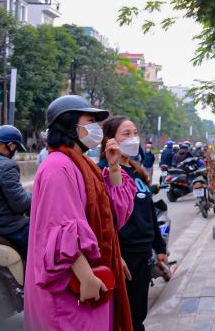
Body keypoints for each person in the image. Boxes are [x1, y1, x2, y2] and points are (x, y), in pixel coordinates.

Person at [25, 95, 136, 331]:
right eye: (90, 120)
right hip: (72, 290)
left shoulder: (83, 165)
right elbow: (61, 227)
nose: (96, 127)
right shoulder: (58, 166)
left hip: (90, 282)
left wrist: (114, 167)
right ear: (70, 124)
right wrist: (86, 277)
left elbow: (114, 217)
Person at [98, 116, 168, 331]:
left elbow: (149, 213)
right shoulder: (103, 172)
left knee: (138, 312)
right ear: (110, 140)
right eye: (126, 134)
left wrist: (160, 247)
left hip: (143, 252)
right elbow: (103, 219)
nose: (133, 138)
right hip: (122, 254)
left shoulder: (138, 172)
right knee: (122, 315)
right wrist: (115, 255)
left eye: (135, 133)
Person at [0, 125, 31, 260]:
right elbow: (20, 205)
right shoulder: (7, 166)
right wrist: (31, 195)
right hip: (5, 226)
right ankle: (33, 277)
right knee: (37, 237)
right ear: (10, 145)